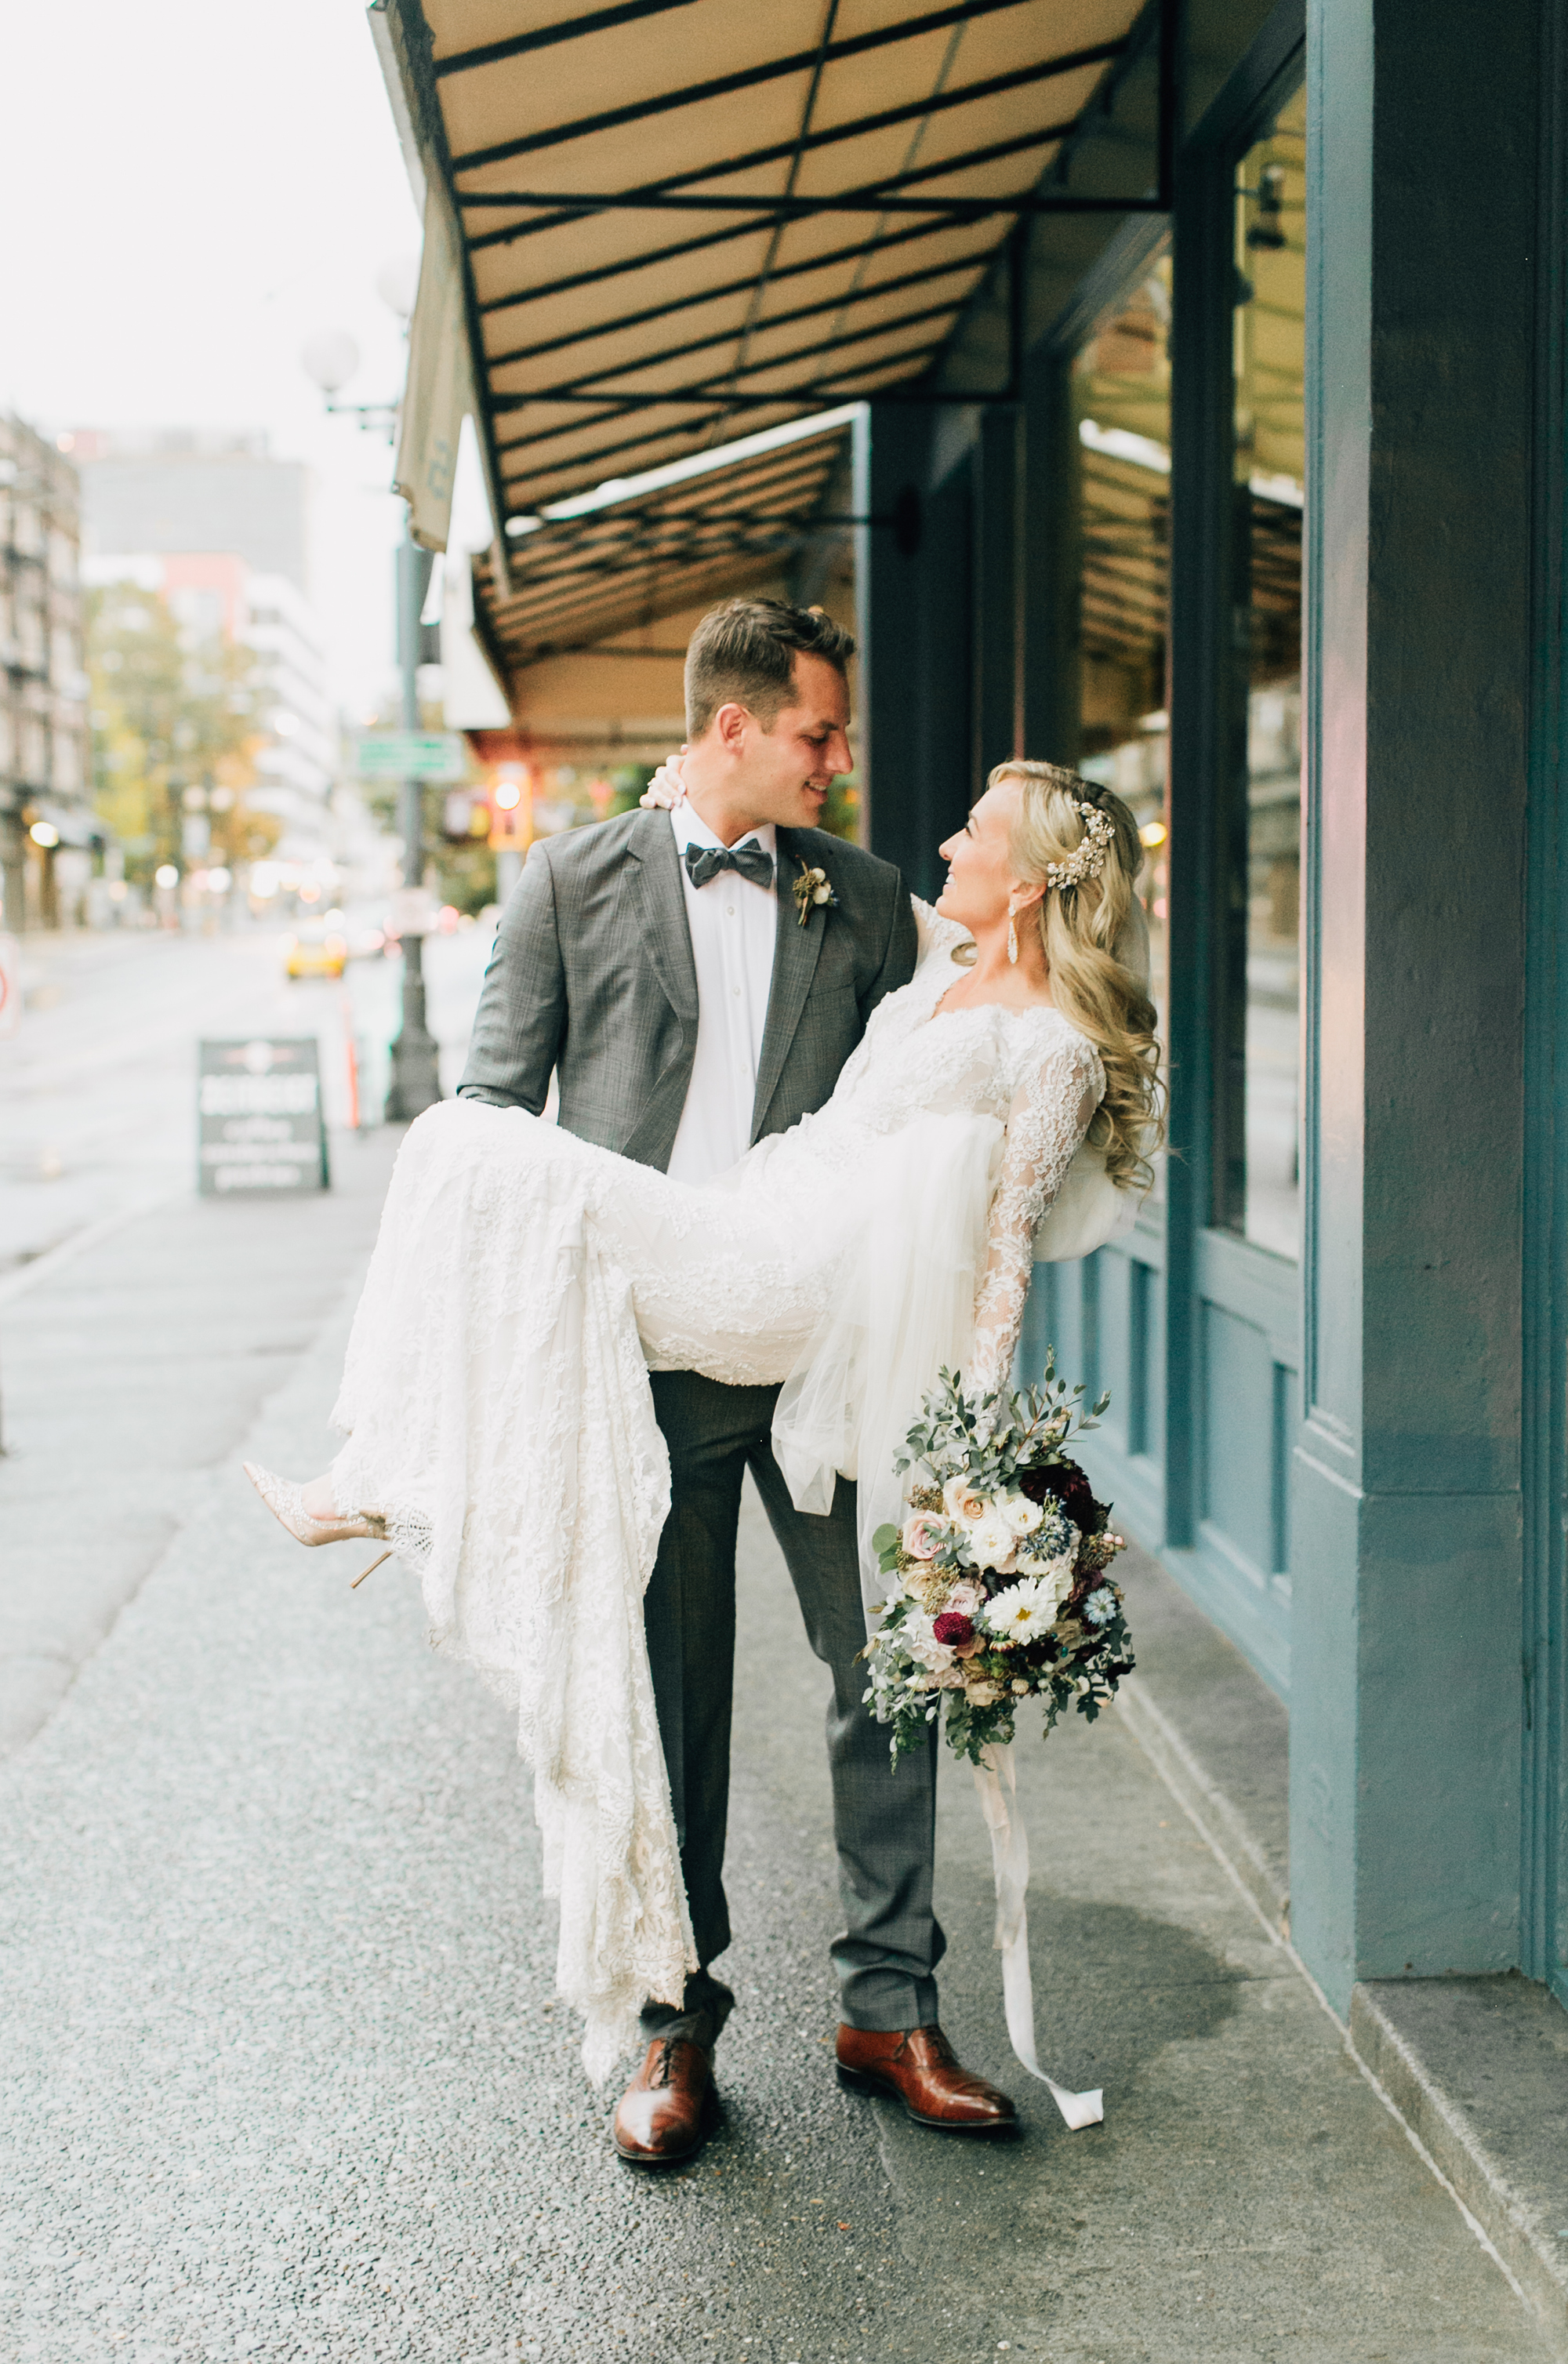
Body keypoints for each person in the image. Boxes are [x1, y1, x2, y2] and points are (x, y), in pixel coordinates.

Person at [245, 595, 1160, 2166]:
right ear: (729, 724)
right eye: (817, 730)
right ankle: (677, 2029)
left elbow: (1014, 1018)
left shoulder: (870, 894)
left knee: (891, 1670)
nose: (842, 759)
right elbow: (496, 1111)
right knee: (664, 1697)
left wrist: (974, 1443)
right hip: (653, 1352)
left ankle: (891, 2003)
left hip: (834, 1340)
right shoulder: (565, 875)